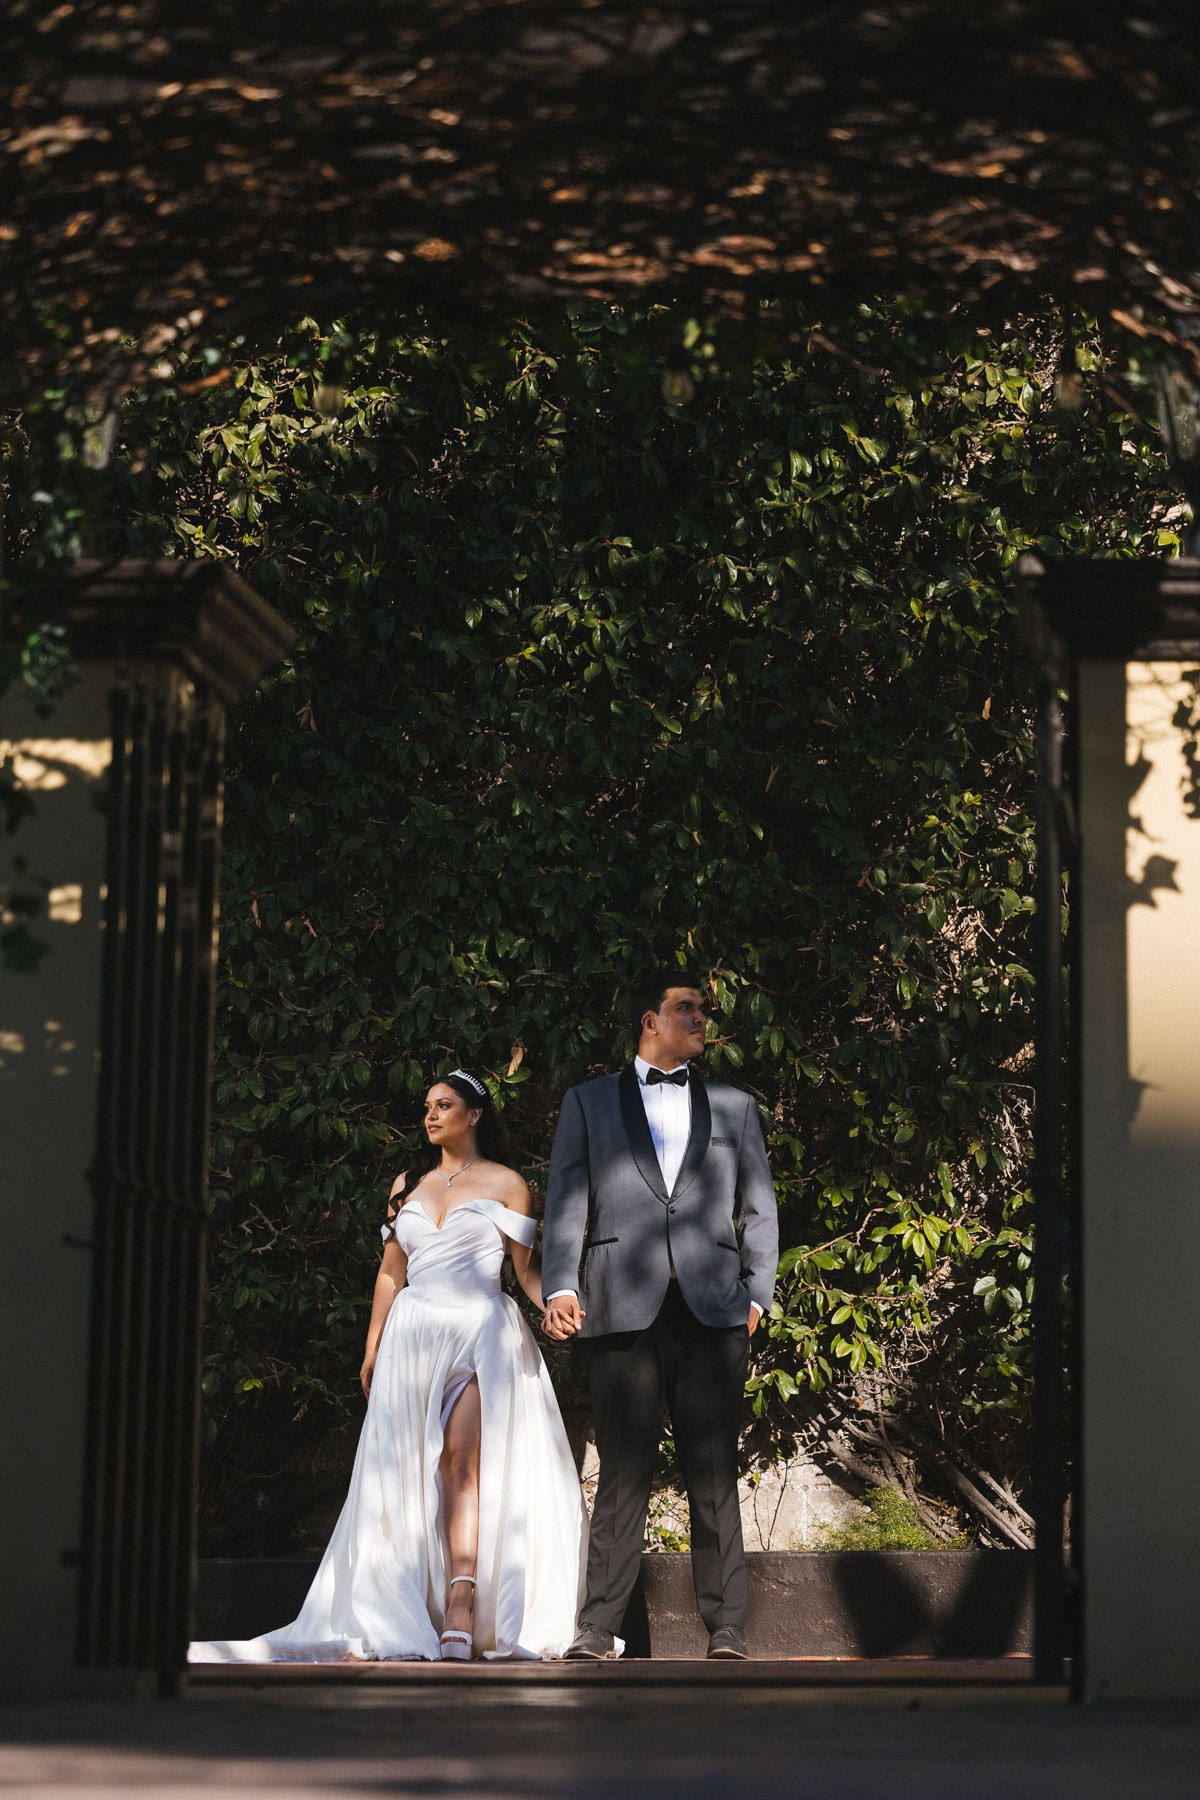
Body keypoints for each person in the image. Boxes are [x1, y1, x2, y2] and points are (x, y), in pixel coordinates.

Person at [190, 1069, 586, 1663]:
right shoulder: (407, 1184)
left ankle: (462, 1599)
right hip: (412, 1335)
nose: (431, 1115)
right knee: (405, 1471)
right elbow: (389, 1272)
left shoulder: (507, 1183)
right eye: (427, 1106)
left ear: (474, 1114)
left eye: (444, 1105)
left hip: (481, 1330)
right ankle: (407, 1602)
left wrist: (554, 1302)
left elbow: (525, 1269)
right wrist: (373, 1345)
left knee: (461, 1462)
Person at [541, 971, 778, 1661]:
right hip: (619, 1306)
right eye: (687, 1009)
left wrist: (756, 1296)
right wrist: (560, 1286)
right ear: (650, 1021)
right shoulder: (588, 1102)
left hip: (714, 1311)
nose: (702, 1019)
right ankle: (597, 1628)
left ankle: (727, 1628)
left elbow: (759, 1206)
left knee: (714, 1471)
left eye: (702, 1010)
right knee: (621, 1473)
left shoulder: (734, 1106)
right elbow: (567, 1199)